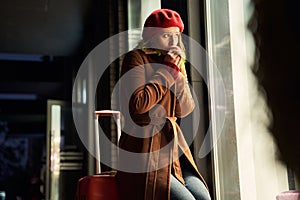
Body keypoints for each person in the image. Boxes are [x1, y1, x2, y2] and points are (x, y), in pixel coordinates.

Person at [116, 8, 211, 200]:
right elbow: (139, 105)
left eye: (176, 36)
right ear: (151, 38)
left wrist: (180, 75)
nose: (173, 42)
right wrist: (167, 71)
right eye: (166, 35)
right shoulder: (136, 57)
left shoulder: (175, 63)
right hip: (142, 150)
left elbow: (184, 110)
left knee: (204, 197)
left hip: (174, 150)